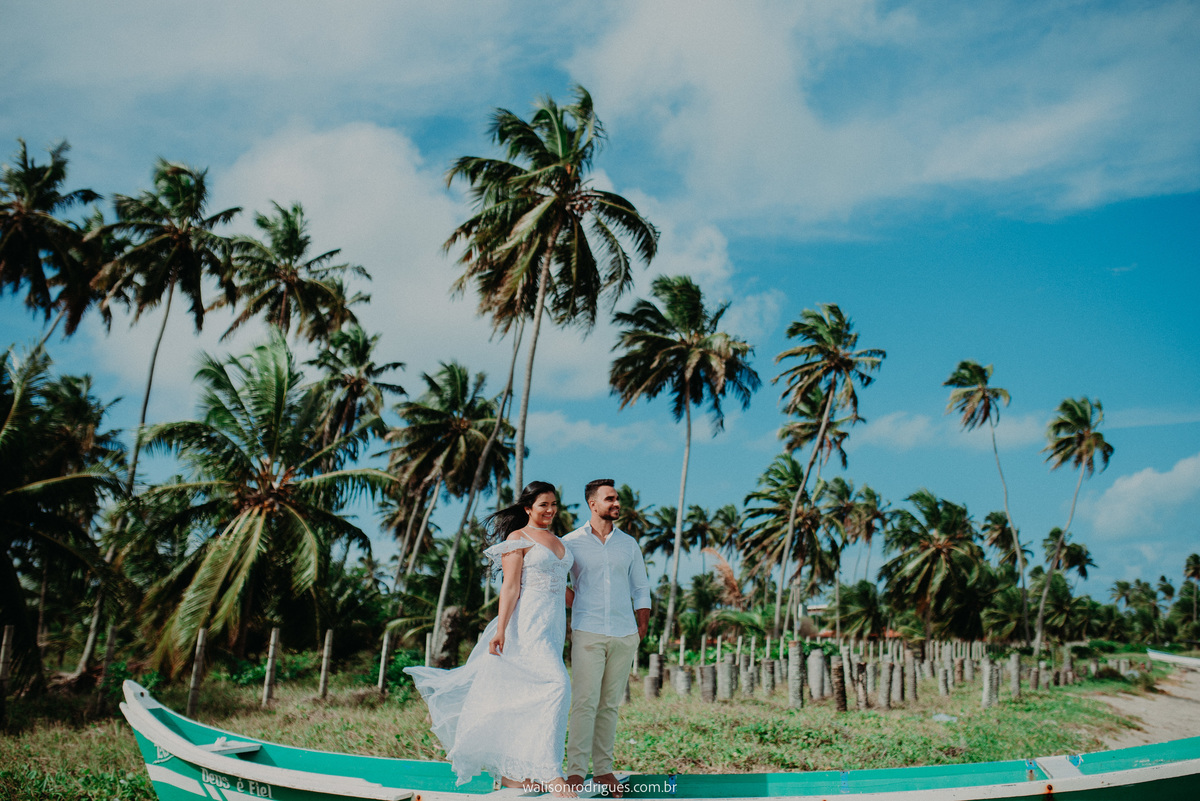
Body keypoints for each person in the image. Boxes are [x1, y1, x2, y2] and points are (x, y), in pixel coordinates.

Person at [404, 481, 578, 798]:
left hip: (552, 627)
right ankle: (550, 772)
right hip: (524, 625)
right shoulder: (517, 539)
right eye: (544, 505)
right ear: (528, 508)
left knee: (525, 696)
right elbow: (510, 588)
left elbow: (562, 588)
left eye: (554, 504)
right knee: (558, 685)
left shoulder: (558, 541)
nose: (551, 510)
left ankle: (514, 774)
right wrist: (500, 631)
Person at [563, 479, 651, 796]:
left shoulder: (628, 544)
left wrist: (640, 628)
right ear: (593, 504)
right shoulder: (570, 542)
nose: (616, 503)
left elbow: (641, 588)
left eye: (617, 499)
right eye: (609, 499)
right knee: (584, 703)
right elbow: (557, 581)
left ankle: (603, 772)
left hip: (624, 634)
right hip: (587, 631)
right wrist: (579, 603)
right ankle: (575, 773)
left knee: (609, 706)